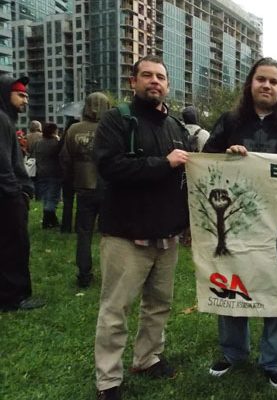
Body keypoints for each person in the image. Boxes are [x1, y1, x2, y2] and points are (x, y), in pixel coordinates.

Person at [203, 57, 277, 389]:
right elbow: (205, 160)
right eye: (261, 79)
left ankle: (274, 360)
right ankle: (233, 352)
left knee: (276, 288)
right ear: (250, 83)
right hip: (234, 221)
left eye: (274, 81)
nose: (267, 85)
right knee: (231, 284)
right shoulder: (230, 121)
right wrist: (227, 155)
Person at [92, 55, 192, 400]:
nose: (154, 81)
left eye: (160, 77)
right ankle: (108, 380)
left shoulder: (176, 127)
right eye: (147, 75)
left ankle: (148, 358)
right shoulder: (116, 120)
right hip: (126, 234)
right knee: (115, 308)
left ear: (168, 85)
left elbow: (190, 176)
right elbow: (109, 167)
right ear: (133, 81)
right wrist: (163, 163)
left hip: (167, 234)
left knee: (159, 304)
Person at [0, 75, 45, 311]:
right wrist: (16, 194)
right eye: (20, 95)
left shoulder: (6, 119)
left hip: (9, 194)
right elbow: (3, 165)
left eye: (27, 96)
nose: (25, 100)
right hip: (8, 198)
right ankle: (15, 297)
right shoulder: (2, 119)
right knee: (15, 247)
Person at [60, 92, 111, 288]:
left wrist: (71, 180)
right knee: (110, 234)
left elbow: (65, 159)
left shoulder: (73, 129)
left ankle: (84, 274)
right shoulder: (112, 128)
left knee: (84, 232)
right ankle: (110, 273)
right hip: (109, 188)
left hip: (83, 186)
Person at [31, 122, 62, 229]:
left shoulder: (38, 143)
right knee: (52, 198)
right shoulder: (56, 143)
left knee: (46, 198)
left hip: (41, 173)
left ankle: (53, 222)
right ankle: (46, 221)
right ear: (54, 131)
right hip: (54, 174)